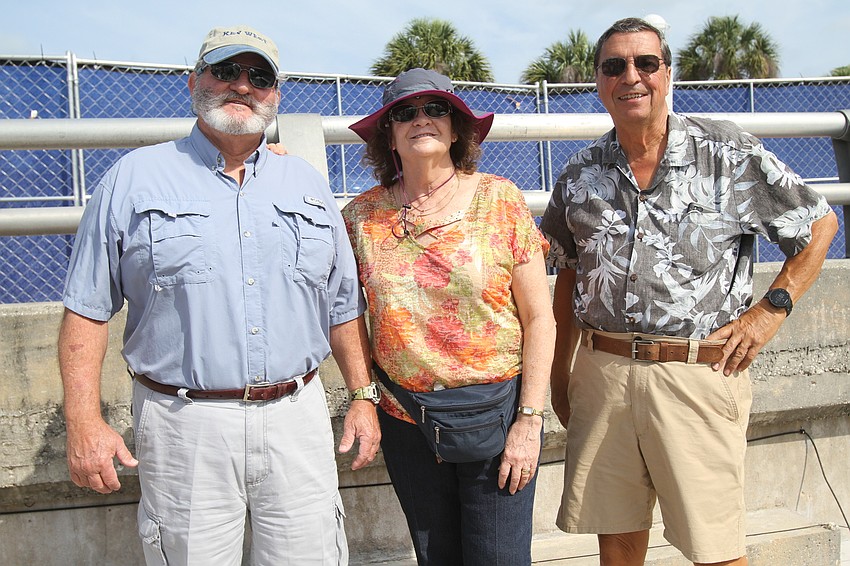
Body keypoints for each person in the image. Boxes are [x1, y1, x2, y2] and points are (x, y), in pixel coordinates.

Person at [58, 25, 380, 565]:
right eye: (226, 71)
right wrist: (83, 421)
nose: (242, 86)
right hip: (184, 426)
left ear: (276, 95)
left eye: (259, 76)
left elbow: (343, 305)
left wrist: (363, 399)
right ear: (194, 82)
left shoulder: (305, 184)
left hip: (296, 419)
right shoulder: (133, 180)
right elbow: (86, 311)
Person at [540, 17, 839, 566]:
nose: (631, 76)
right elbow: (567, 274)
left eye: (645, 63)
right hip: (603, 376)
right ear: (599, 82)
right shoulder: (581, 173)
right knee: (618, 544)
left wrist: (768, 313)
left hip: (696, 375)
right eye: (614, 66)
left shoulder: (724, 152)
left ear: (666, 73)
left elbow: (818, 225)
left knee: (716, 550)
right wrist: (561, 375)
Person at [342, 68, 556, 565]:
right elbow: (343, 310)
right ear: (388, 134)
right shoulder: (360, 218)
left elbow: (540, 319)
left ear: (457, 128)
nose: (421, 120)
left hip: (497, 418)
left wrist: (529, 419)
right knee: (435, 557)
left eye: (435, 109)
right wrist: (364, 396)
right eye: (405, 113)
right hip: (405, 418)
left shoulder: (500, 200)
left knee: (497, 558)